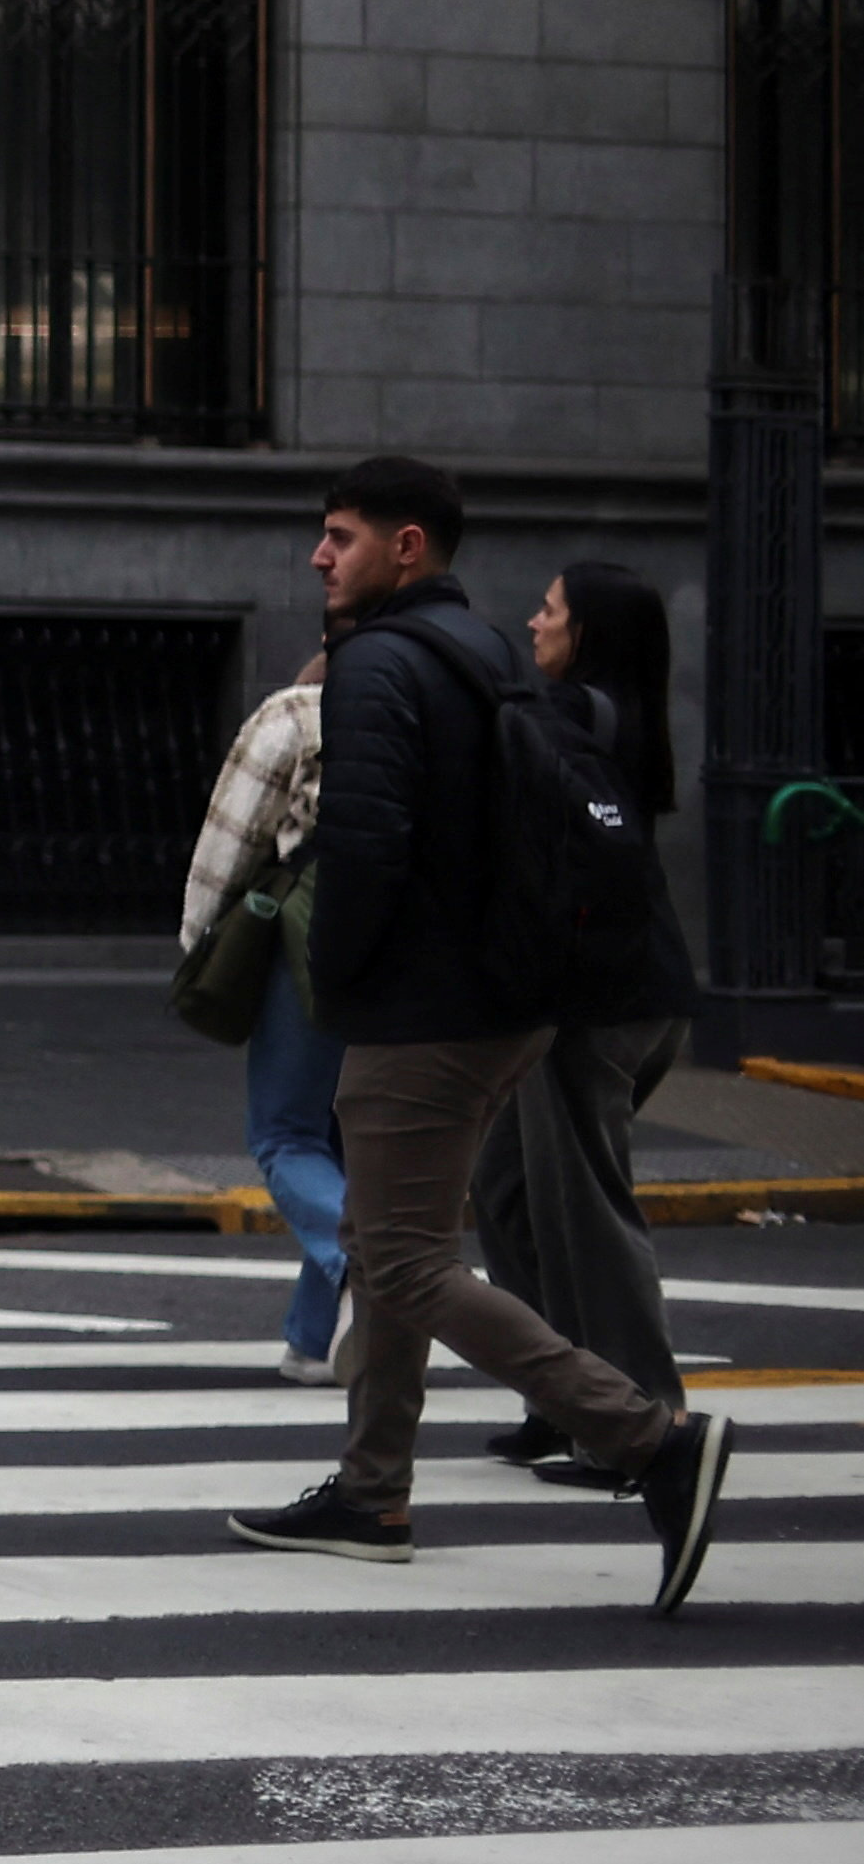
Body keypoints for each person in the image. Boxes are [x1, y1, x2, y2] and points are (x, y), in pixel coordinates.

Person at [226, 457, 729, 1613]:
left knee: (401, 1257)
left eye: (341, 537)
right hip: (509, 999)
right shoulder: (491, 650)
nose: (317, 555)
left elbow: (363, 841)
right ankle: (370, 1491)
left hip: (424, 1009)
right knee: (386, 1227)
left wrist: (335, 983)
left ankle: (648, 1439)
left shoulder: (378, 662)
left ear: (407, 547)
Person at [479, 560, 697, 1476]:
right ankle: (566, 1395)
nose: (534, 622)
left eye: (551, 610)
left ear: (588, 635)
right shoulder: (619, 724)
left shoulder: (572, 721)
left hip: (591, 1009)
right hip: (630, 995)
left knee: (587, 1213)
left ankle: (642, 1424)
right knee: (507, 1193)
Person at [183, 651, 348, 1381]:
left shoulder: (299, 713)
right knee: (345, 1140)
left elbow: (232, 836)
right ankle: (313, 1340)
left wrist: (201, 946)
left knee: (284, 1131)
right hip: (419, 946)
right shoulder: (449, 709)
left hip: (311, 932)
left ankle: (368, 1268)